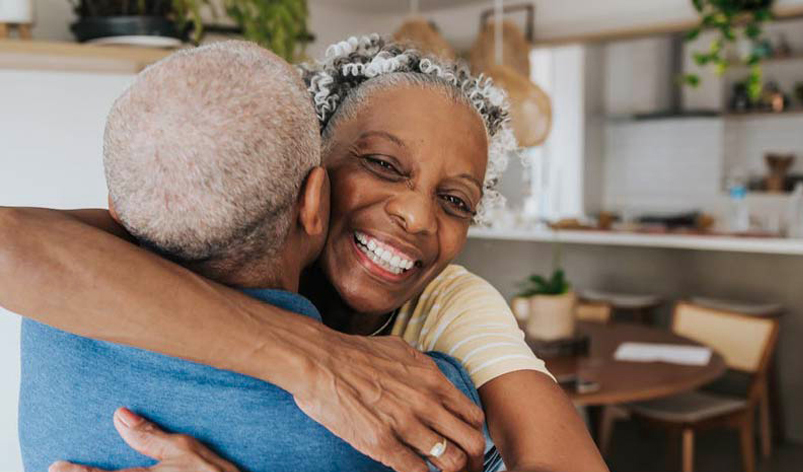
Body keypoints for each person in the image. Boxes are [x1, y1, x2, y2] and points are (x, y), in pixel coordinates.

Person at [0, 36, 608, 472]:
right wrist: (313, 360)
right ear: (311, 176)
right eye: (382, 165)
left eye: (456, 200)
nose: (418, 216)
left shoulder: (454, 305)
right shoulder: (109, 265)